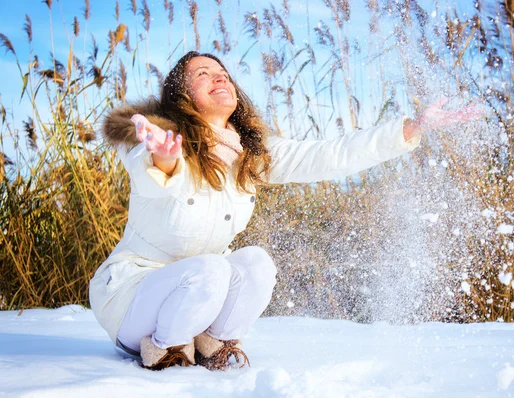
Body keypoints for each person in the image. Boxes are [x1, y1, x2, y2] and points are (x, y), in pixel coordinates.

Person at [89, 51, 482, 371]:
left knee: (256, 263)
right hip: (135, 296)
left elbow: (328, 155)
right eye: (203, 73)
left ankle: (212, 347)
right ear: (181, 95)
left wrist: (408, 130)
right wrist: (164, 158)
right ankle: (165, 352)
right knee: (210, 268)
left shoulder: (249, 153)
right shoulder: (156, 139)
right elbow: (147, 172)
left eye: (223, 72)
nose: (219, 77)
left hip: (200, 292)